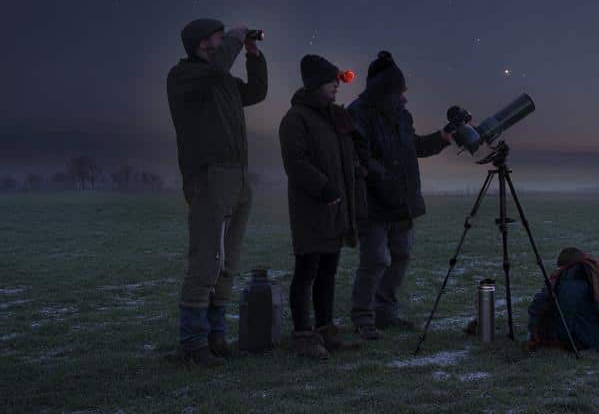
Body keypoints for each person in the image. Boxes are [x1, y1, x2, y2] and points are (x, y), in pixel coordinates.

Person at [166, 19, 267, 367]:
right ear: (202, 43)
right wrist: (236, 41)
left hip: (237, 175)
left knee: (228, 261)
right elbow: (216, 68)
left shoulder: (220, 77)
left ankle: (216, 336)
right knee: (206, 260)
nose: (226, 42)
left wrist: (253, 54)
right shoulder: (184, 76)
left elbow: (256, 93)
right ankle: (192, 344)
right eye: (220, 37)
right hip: (208, 176)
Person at [348, 51, 451, 338]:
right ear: (385, 90)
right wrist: (385, 181)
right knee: (375, 260)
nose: (404, 97)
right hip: (374, 203)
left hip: (402, 202)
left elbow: (412, 147)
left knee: (401, 257)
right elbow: (361, 156)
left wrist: (440, 139)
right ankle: (363, 318)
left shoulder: (402, 116)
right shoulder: (358, 114)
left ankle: (386, 313)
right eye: (399, 91)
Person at [278, 54, 369, 359]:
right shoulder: (296, 118)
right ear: (316, 84)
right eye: (331, 82)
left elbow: (347, 158)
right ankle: (303, 335)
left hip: (336, 207)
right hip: (311, 208)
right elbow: (296, 161)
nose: (336, 87)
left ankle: (325, 328)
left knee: (328, 270)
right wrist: (324, 186)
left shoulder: (334, 118)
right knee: (307, 270)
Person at [527, 247, 599, 351]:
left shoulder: (569, 280)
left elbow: (542, 307)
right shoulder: (591, 272)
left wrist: (537, 334)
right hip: (597, 334)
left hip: (580, 337)